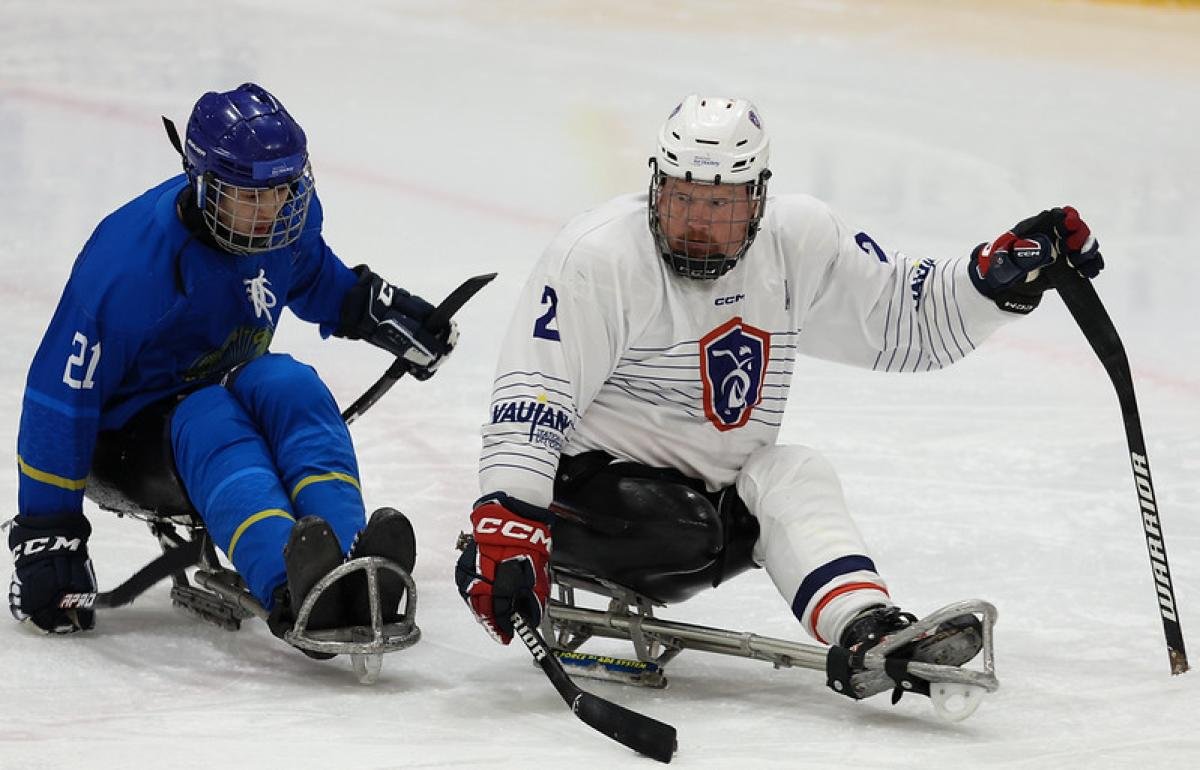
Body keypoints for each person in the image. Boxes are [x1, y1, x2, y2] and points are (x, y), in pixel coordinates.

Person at [455, 94, 1103, 700]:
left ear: (759, 198)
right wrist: (510, 525)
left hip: (705, 510)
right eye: (682, 198)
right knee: (686, 527)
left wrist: (997, 277)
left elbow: (904, 322)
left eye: (720, 205)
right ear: (656, 186)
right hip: (586, 499)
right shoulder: (599, 256)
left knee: (792, 472)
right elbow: (531, 400)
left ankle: (867, 628)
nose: (697, 223)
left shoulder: (799, 241)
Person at [9, 83, 455, 654]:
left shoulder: (282, 219)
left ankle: (348, 566)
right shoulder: (128, 266)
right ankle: (290, 585)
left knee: (290, 384)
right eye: (250, 196)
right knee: (211, 416)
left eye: (284, 190)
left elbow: (309, 272)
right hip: (121, 441)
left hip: (219, 386)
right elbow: (58, 400)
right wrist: (49, 536)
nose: (272, 211)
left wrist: (376, 310)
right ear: (202, 185)